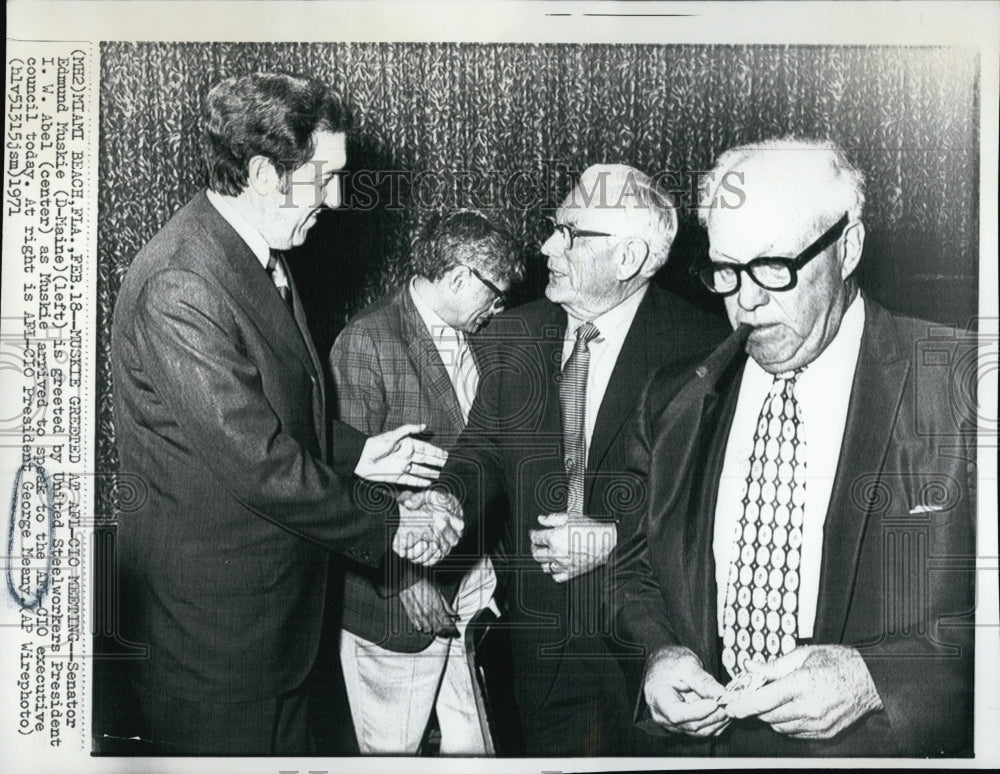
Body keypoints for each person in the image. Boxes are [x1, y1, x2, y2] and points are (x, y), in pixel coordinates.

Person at [110, 72, 462, 755]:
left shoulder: (254, 251)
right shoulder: (182, 282)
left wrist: (360, 452)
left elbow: (269, 412)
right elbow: (259, 464)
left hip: (275, 625)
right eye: (323, 178)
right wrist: (395, 516)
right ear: (266, 174)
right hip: (214, 644)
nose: (334, 199)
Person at [608, 138, 976, 756]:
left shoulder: (961, 383)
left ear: (848, 248)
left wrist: (876, 679)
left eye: (774, 267)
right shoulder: (674, 397)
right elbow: (632, 569)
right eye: (726, 270)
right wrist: (656, 655)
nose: (746, 301)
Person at [413, 164, 729, 755]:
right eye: (554, 228)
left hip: (653, 648)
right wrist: (446, 498)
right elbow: (481, 450)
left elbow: (714, 500)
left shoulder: (704, 349)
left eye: (570, 234)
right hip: (542, 645)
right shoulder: (514, 335)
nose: (547, 246)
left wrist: (615, 536)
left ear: (631, 256)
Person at [330, 209, 524, 754]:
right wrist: (402, 578)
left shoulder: (485, 336)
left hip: (474, 585)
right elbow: (346, 480)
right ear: (460, 279)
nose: (499, 308)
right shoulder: (366, 341)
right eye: (496, 295)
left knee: (476, 749)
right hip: (394, 602)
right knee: (392, 753)